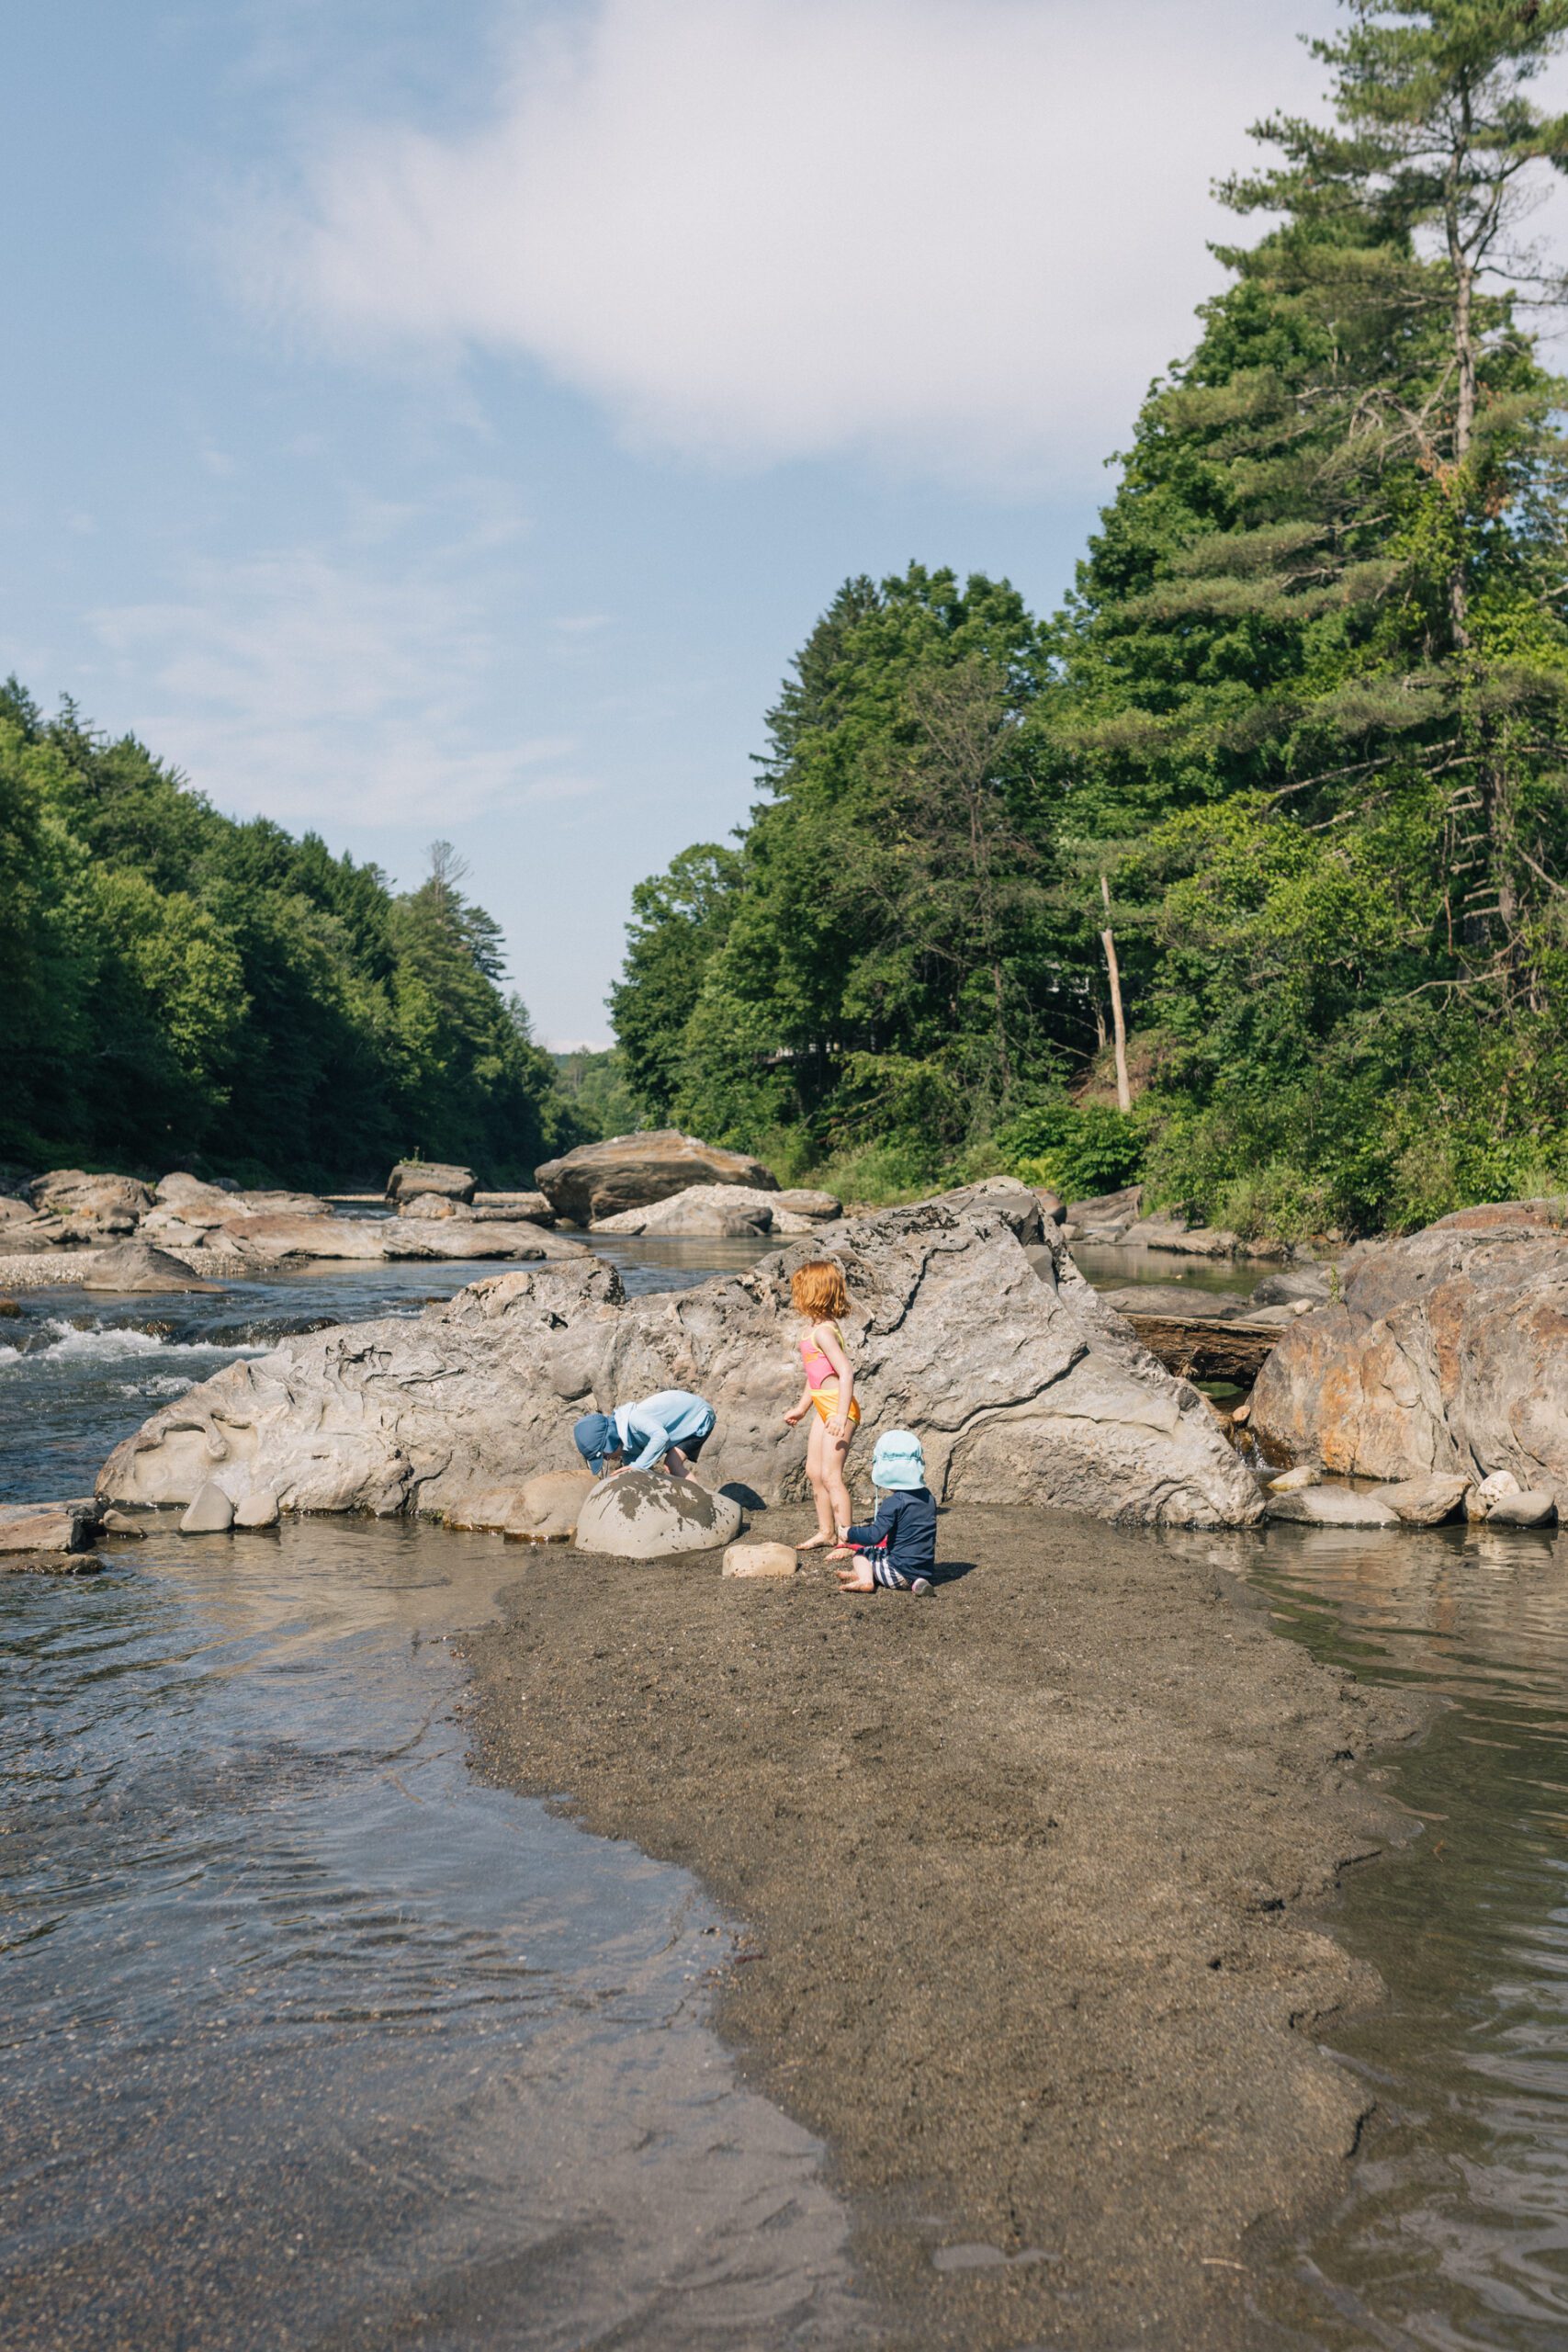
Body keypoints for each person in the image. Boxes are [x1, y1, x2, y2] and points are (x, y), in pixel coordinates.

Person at [782, 1257, 860, 1550]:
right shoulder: (812, 1330)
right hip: (821, 1407)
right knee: (814, 1472)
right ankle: (826, 1532)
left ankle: (846, 1539)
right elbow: (814, 1377)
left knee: (831, 1475)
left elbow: (846, 1372)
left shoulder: (825, 1332)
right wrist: (802, 1408)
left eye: (799, 1289)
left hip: (839, 1409)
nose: (795, 1295)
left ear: (812, 1293)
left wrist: (840, 1415)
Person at [831, 1430, 937, 1594]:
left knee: (862, 1553)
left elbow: (874, 1536)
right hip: (924, 1571)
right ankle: (916, 1584)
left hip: (897, 1574)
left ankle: (866, 1580)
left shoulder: (894, 1503)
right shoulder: (928, 1497)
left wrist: (850, 1533)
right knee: (886, 1552)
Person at [573, 1389, 716, 1479]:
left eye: (605, 1455)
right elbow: (635, 1472)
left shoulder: (634, 1418)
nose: (608, 1459)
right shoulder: (627, 1449)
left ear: (610, 1441)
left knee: (672, 1464)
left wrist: (638, 1466)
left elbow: (661, 1437)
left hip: (696, 1416)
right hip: (676, 1427)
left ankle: (700, 1503)